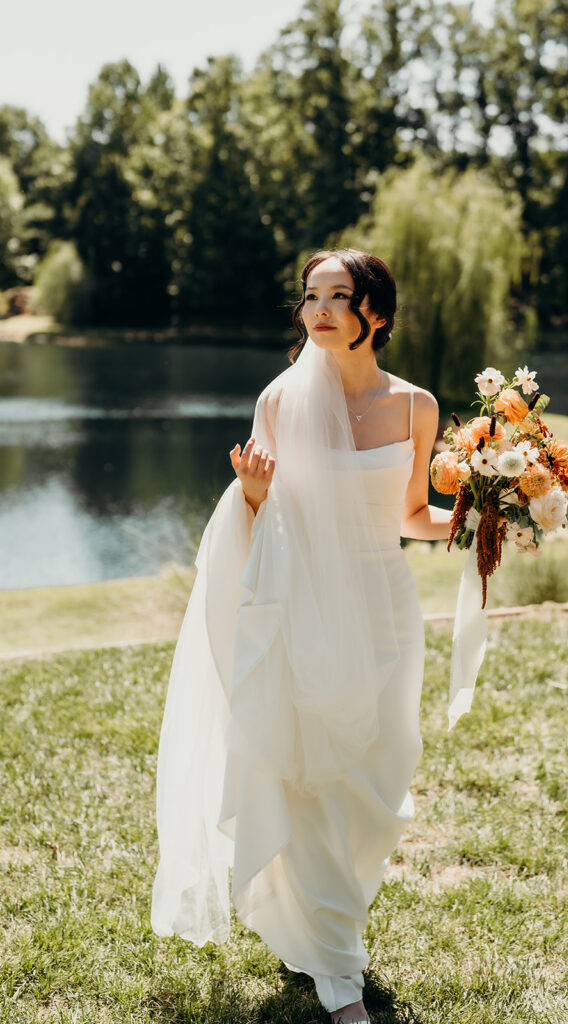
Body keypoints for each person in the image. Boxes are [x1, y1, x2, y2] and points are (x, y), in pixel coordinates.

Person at [151, 248, 453, 1024]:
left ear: (374, 314)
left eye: (338, 296)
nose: (317, 309)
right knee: (310, 780)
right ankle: (337, 972)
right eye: (310, 296)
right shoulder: (280, 401)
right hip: (298, 611)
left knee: (375, 781)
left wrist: (490, 513)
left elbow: (412, 517)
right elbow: (260, 523)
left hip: (382, 610)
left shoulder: (417, 407)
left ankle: (318, 924)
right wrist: (250, 496)